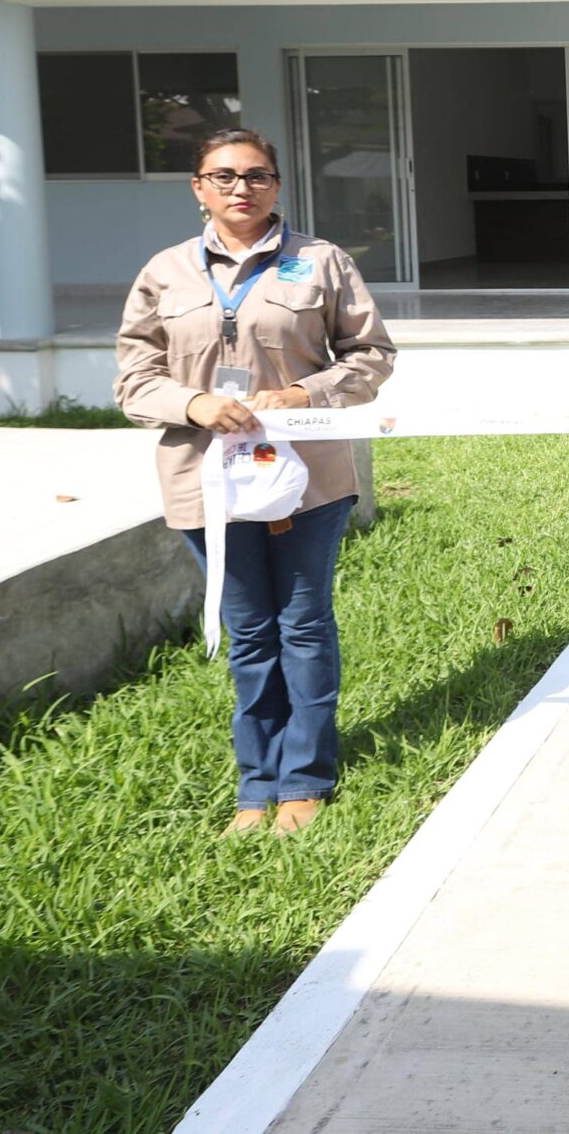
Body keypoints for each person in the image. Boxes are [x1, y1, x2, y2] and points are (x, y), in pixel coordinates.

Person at [115, 128, 394, 836]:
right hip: (206, 483)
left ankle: (305, 778)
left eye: (258, 176)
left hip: (308, 479)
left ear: (277, 184)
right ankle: (256, 781)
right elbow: (134, 379)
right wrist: (195, 404)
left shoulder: (322, 262)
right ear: (199, 188)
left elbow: (371, 354)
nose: (242, 189)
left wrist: (307, 394)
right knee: (248, 631)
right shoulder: (166, 273)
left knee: (302, 624)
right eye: (225, 176)